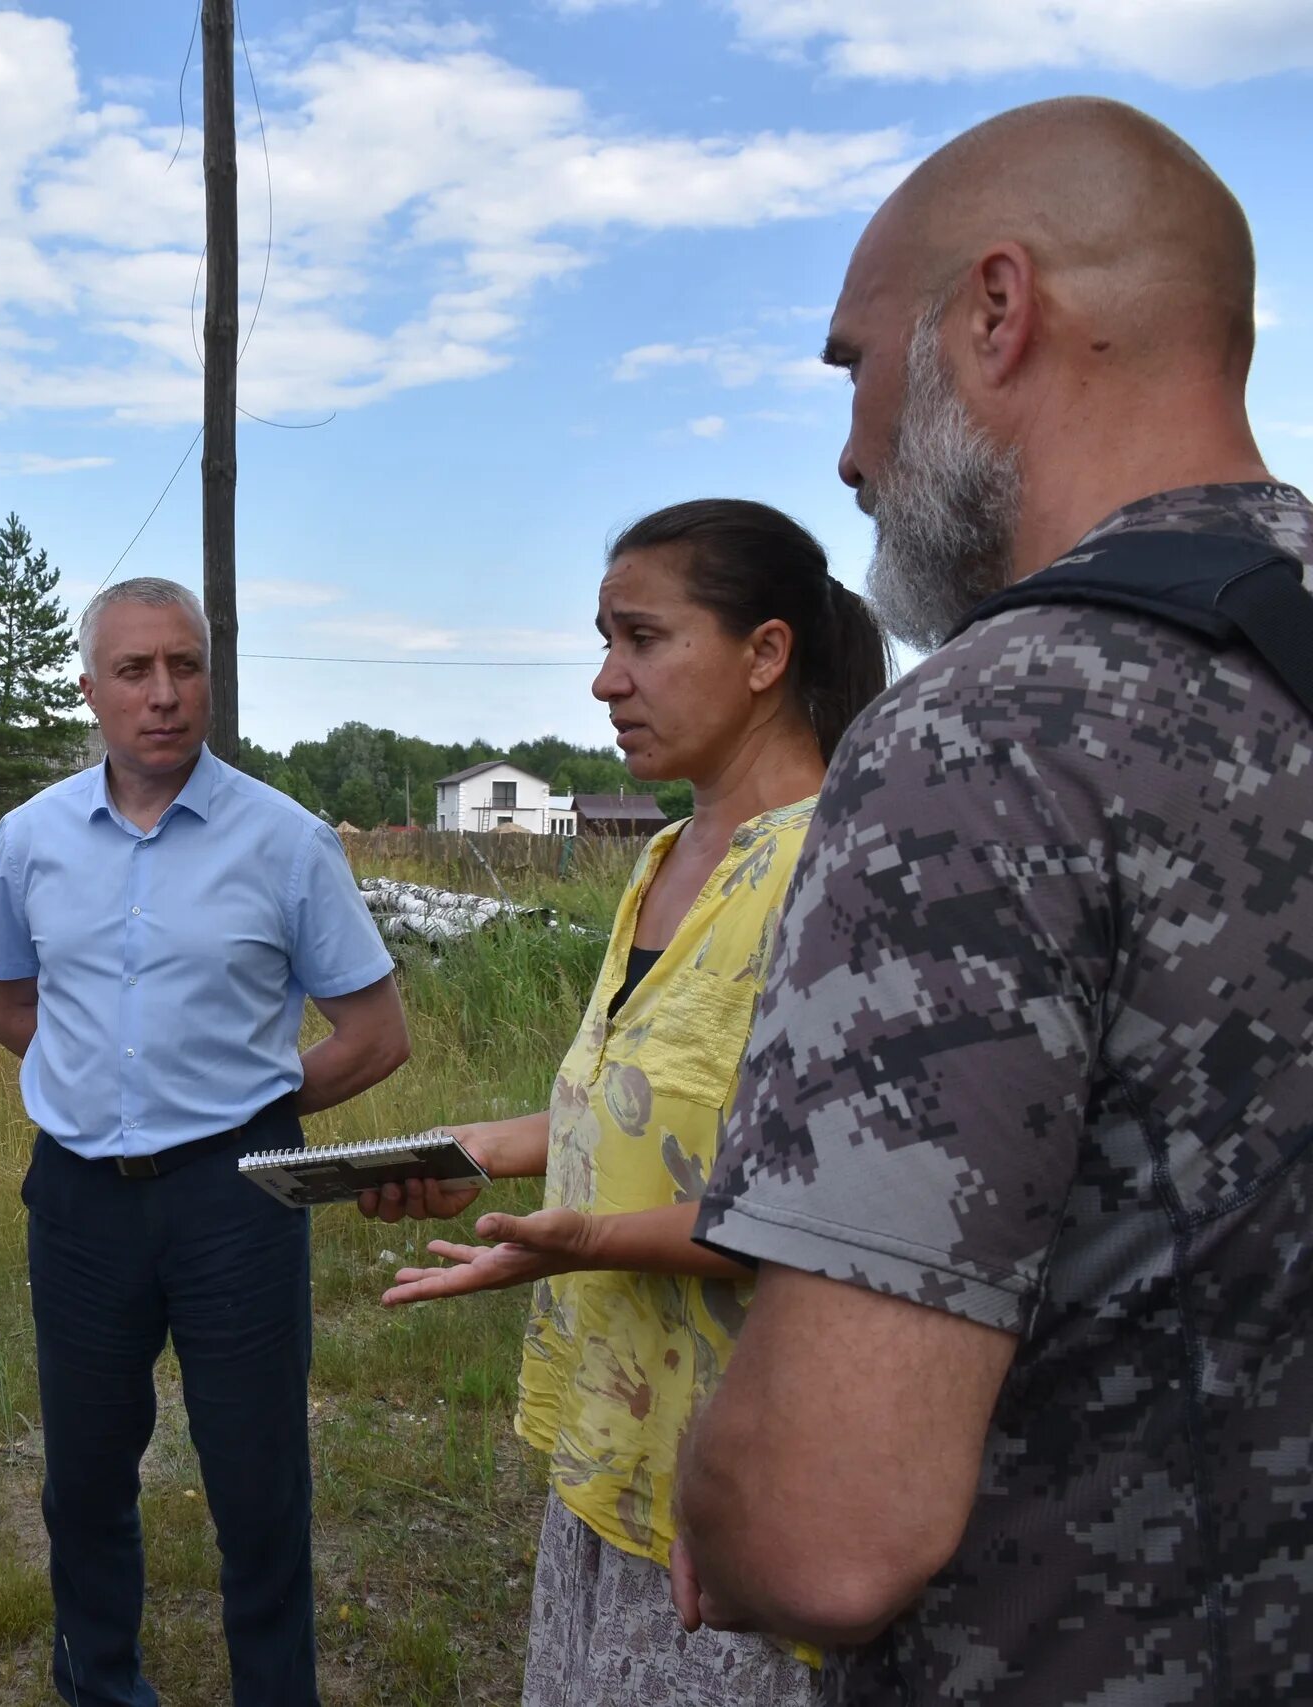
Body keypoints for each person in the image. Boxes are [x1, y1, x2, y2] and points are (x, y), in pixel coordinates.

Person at [671, 98, 1313, 1706]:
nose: (848, 453)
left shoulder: (995, 728)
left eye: (854, 364)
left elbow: (827, 1527)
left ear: (996, 314)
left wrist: (720, 1501)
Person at [367, 500, 887, 1704]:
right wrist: (474, 1153)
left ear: (765, 655)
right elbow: (639, 1112)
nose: (606, 681)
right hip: (612, 1443)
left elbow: (830, 1205)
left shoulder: (836, 868)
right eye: (602, 640)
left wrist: (582, 1239)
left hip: (742, 1477)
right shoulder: (662, 857)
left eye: (642, 639)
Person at [0, 576, 411, 1707]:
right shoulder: (30, 840)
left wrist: (245, 1107)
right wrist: (105, 1088)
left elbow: (373, 1034)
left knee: (257, 1479)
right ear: (90, 688)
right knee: (83, 1474)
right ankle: (99, 1684)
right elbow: (12, 1007)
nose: (163, 694)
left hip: (237, 1198)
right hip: (78, 1203)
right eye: (134, 670)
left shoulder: (286, 839)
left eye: (186, 666)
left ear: (211, 677)